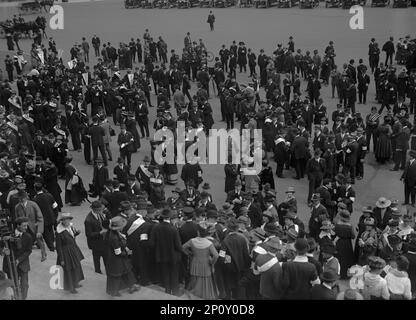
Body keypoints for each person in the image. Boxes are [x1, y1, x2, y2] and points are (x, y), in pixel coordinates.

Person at [182, 221, 219, 299]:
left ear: (198, 232)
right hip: (206, 265)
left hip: (195, 262)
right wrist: (212, 262)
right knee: (205, 283)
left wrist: (189, 254)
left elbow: (183, 247)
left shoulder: (192, 241)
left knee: (194, 281)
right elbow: (216, 255)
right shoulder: (209, 243)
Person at [150, 208, 182, 296]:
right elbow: (178, 246)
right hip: (173, 256)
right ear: (170, 217)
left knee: (165, 274)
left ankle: (167, 291)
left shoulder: (156, 227)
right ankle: (175, 292)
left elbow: (151, 243)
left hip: (161, 256)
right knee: (174, 275)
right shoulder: (173, 229)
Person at [105, 216, 139, 297]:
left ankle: (131, 286)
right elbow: (118, 253)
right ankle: (114, 292)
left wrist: (125, 248)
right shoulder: (114, 238)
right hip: (116, 260)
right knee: (116, 275)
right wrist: (127, 252)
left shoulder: (115, 233)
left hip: (120, 259)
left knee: (127, 271)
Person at [1, 217, 32, 300]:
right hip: (10, 264)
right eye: (24, 226)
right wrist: (3, 251)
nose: (26, 228)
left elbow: (28, 251)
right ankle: (17, 297)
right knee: (14, 285)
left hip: (23, 264)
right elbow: (0, 247)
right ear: (18, 226)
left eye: (26, 226)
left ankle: (22, 298)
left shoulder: (28, 236)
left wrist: (19, 260)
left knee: (24, 285)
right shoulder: (7, 235)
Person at [55, 212, 85, 294]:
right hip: (65, 252)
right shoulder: (59, 232)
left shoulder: (70, 227)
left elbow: (72, 236)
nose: (67, 221)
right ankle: (71, 287)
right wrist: (61, 258)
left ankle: (76, 283)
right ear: (62, 221)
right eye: (65, 220)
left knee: (76, 267)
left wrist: (76, 233)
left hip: (73, 249)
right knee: (69, 270)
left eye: (68, 219)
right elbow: (58, 247)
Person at [84, 201, 108, 274]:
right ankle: (98, 271)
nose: (101, 211)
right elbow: (89, 234)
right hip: (95, 243)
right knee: (96, 258)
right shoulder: (88, 220)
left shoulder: (100, 215)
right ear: (95, 209)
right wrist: (100, 233)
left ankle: (108, 270)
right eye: (99, 210)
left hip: (103, 241)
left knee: (106, 257)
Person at [334, 210, 355, 279]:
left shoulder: (337, 224)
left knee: (339, 258)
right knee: (346, 258)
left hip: (339, 243)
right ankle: (345, 274)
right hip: (347, 244)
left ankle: (338, 273)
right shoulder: (350, 226)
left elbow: (334, 233)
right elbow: (353, 236)